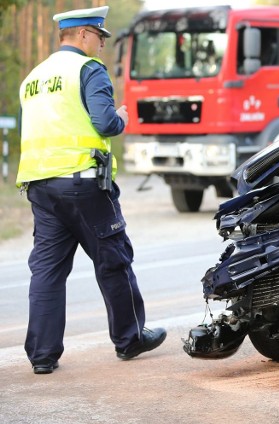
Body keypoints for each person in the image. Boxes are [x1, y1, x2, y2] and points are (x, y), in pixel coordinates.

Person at [16, 5, 166, 375]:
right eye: (99, 37)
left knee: (47, 271)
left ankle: (42, 355)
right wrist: (123, 119)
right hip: (82, 184)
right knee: (113, 260)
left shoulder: (34, 78)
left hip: (40, 186)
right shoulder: (87, 69)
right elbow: (104, 122)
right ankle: (130, 339)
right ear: (83, 34)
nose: (101, 45)